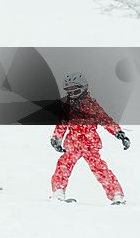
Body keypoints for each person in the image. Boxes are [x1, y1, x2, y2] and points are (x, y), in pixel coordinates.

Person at [50, 73, 129, 205]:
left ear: (84, 88)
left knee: (100, 168)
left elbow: (106, 120)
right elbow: (62, 124)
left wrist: (119, 133)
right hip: (73, 143)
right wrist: (56, 138)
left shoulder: (92, 106)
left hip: (90, 143)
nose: (73, 94)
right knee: (63, 166)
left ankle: (116, 194)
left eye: (76, 90)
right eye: (69, 91)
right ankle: (58, 191)